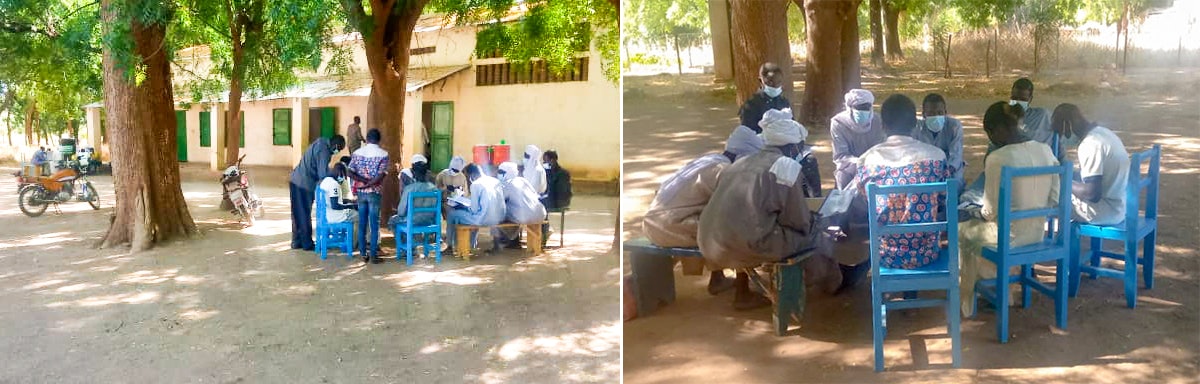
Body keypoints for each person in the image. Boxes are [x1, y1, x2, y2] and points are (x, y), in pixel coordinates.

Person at [698, 110, 842, 310]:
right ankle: (831, 284)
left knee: (748, 227)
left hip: (708, 244)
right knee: (816, 237)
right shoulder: (786, 167)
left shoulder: (741, 161)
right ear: (793, 147)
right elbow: (798, 221)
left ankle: (743, 293)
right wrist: (816, 222)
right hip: (743, 245)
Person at [958, 102, 1060, 315]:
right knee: (990, 228)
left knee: (963, 231)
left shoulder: (998, 158)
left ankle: (969, 301)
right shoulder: (1045, 150)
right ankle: (1007, 291)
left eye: (990, 132)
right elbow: (1054, 198)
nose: (991, 139)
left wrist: (971, 210)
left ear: (1000, 128)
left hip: (1008, 238)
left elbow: (990, 212)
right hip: (1037, 234)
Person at [643, 124, 764, 294]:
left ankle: (717, 278)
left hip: (652, 223)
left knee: (711, 219)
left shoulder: (709, 160)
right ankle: (742, 293)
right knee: (738, 231)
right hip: (671, 226)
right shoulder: (726, 172)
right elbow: (735, 210)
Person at [850, 94, 950, 270]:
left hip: (887, 255)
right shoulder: (937, 157)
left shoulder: (867, 160)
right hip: (927, 252)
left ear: (883, 125)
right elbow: (943, 199)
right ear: (914, 123)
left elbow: (865, 202)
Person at [964, 78, 1061, 202]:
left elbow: (1059, 140)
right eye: (1014, 98)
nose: (1017, 102)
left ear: (1030, 99)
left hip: (1027, 174)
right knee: (970, 194)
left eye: (1023, 99)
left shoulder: (1042, 116)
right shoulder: (1003, 119)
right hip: (1009, 171)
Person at [1052, 103, 1130, 226]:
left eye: (1059, 131)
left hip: (1103, 211)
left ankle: (1054, 243)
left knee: (1049, 199)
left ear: (1067, 125)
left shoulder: (1089, 145)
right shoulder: (1104, 133)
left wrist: (1062, 180)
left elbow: (1091, 193)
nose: (1059, 137)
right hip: (1118, 207)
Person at [289, 135, 346, 250]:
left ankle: (296, 241)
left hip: (296, 180)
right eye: (338, 149)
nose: (337, 152)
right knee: (304, 213)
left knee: (297, 214)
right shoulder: (324, 150)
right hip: (303, 184)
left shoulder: (320, 142)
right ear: (334, 144)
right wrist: (335, 173)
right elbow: (322, 174)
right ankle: (306, 244)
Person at [831, 89, 886, 190]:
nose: (863, 111)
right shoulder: (838, 123)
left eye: (866, 108)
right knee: (842, 177)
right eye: (859, 108)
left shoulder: (877, 121)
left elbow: (881, 148)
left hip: (874, 165)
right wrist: (859, 162)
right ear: (850, 108)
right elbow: (840, 155)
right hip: (849, 168)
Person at [348, 128, 390, 263]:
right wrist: (370, 183)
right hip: (374, 193)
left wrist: (363, 182)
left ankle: (362, 254)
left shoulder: (357, 153)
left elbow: (350, 172)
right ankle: (373, 255)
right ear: (379, 140)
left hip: (361, 193)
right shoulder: (383, 154)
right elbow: (381, 176)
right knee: (374, 224)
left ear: (366, 139)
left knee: (362, 223)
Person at [447, 164, 506, 254]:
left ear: (472, 175)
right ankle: (471, 245)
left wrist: (463, 206)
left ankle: (450, 246)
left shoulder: (475, 184)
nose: (468, 179)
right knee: (474, 214)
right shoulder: (495, 181)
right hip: (500, 217)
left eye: (467, 176)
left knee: (452, 214)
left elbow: (473, 210)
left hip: (484, 219)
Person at [388, 157, 438, 256]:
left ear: (413, 173)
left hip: (413, 221)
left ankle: (407, 249)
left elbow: (401, 212)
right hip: (429, 221)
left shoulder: (410, 189)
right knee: (412, 219)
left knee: (393, 221)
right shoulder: (434, 188)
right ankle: (414, 243)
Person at [913, 93, 966, 185]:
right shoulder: (917, 128)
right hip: (925, 172)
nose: (936, 117)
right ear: (924, 115)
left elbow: (956, 155)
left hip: (951, 172)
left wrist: (947, 171)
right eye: (931, 113)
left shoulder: (954, 126)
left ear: (945, 113)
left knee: (954, 188)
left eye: (940, 113)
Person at [497, 162, 548, 248]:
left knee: (500, 213)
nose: (498, 174)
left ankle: (511, 240)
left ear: (508, 172)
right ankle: (515, 240)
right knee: (514, 209)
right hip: (541, 214)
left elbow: (500, 200)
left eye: (501, 172)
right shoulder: (523, 180)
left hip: (524, 216)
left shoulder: (507, 184)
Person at [738, 62, 790, 133]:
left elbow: (792, 125)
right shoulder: (751, 105)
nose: (775, 85)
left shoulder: (784, 102)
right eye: (770, 82)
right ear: (761, 81)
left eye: (779, 82)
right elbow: (747, 134)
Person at [541, 150, 573, 247]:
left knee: (540, 207)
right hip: (553, 198)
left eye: (546, 161)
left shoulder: (562, 173)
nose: (545, 163)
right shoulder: (548, 172)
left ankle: (543, 235)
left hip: (560, 201)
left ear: (553, 160)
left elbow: (560, 192)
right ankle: (544, 232)